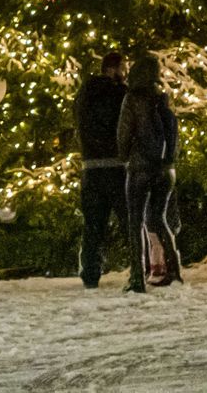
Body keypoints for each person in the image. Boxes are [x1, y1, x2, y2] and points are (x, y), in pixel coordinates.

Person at [116, 54, 181, 292]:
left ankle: (136, 278)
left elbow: (124, 133)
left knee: (136, 222)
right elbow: (173, 132)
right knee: (157, 218)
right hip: (164, 169)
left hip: (140, 167)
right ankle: (173, 270)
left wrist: (124, 155)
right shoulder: (163, 99)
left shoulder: (132, 99)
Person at [75, 51, 129, 288]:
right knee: (129, 221)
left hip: (91, 168)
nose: (124, 72)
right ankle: (140, 267)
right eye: (123, 67)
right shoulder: (119, 94)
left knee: (93, 225)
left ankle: (90, 273)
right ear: (113, 69)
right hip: (115, 167)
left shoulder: (83, 96)